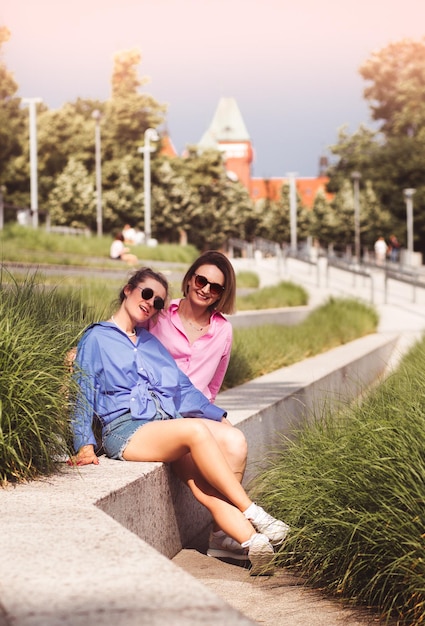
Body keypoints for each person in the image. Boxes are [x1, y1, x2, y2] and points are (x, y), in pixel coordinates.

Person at [68, 267, 290, 575]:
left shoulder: (149, 342)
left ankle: (252, 543)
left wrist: (219, 416)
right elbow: (82, 389)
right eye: (146, 293)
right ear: (128, 290)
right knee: (195, 430)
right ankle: (255, 513)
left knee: (204, 488)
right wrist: (84, 444)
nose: (151, 304)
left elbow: (181, 387)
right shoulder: (97, 338)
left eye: (159, 302)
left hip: (164, 425)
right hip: (125, 430)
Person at [146, 251, 243, 560]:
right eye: (201, 280)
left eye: (216, 287)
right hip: (158, 411)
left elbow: (213, 385)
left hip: (196, 409)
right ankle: (246, 521)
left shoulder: (223, 330)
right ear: (189, 280)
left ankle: (220, 533)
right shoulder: (160, 316)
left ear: (221, 294)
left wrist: (211, 416)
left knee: (237, 443)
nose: (206, 289)